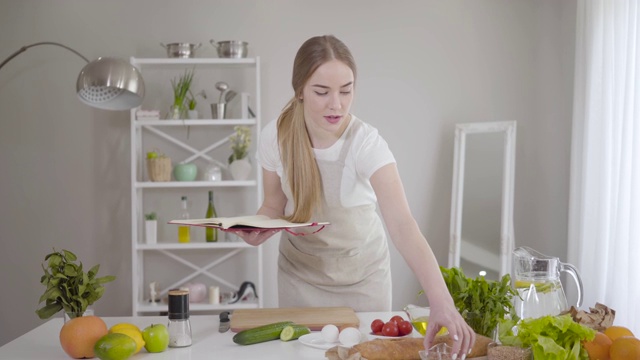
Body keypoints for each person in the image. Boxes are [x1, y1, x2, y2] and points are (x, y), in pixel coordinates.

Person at [231, 35, 475, 357]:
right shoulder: (274, 137)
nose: (337, 104)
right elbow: (274, 204)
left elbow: (402, 225)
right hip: (299, 279)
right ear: (300, 90)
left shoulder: (366, 143)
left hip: (363, 282)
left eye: (346, 91)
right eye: (322, 92)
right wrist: (257, 228)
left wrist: (441, 302)